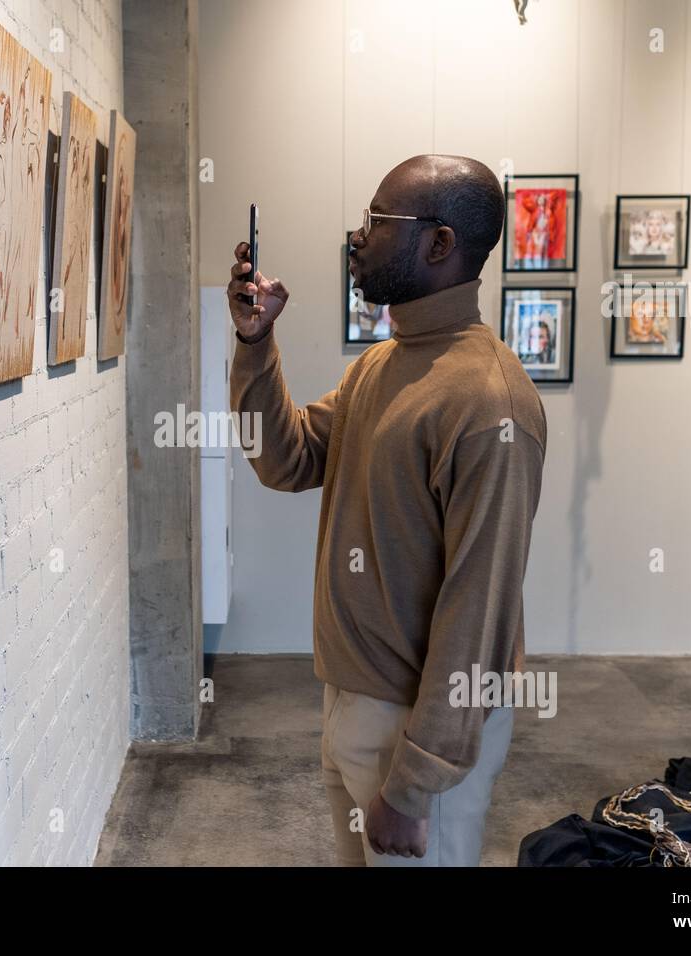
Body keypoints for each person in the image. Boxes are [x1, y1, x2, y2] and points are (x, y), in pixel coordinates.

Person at [227, 155, 547, 866]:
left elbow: (480, 607)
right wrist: (255, 342)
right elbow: (284, 460)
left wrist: (417, 779)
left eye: (377, 222)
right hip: (351, 701)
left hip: (416, 729)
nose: (357, 238)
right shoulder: (381, 365)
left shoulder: (490, 401)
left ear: (439, 244)